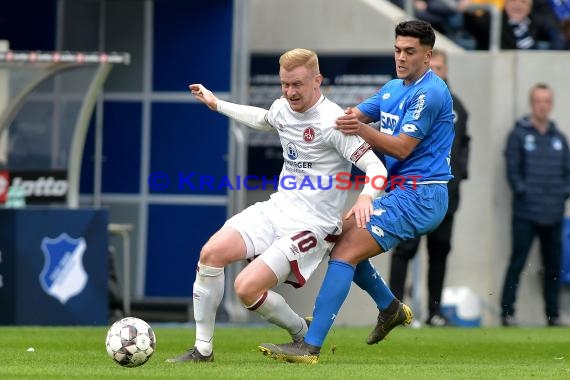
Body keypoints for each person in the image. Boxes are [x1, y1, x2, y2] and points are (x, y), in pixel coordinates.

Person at [166, 48, 389, 363]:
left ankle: (300, 331)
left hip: (313, 225)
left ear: (317, 80)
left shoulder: (334, 122)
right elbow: (263, 119)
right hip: (276, 209)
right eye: (285, 84)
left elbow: (377, 169)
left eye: (297, 84)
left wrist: (366, 197)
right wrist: (217, 104)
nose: (289, 92)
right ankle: (203, 349)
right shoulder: (282, 107)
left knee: (246, 289)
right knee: (210, 255)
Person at [259, 20, 455, 364]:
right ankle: (390, 308)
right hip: (399, 192)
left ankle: (311, 344)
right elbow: (345, 118)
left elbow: (401, 149)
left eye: (410, 52)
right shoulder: (394, 88)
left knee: (345, 252)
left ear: (428, 56)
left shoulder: (431, 92)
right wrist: (306, 109)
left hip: (422, 194)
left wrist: (360, 127)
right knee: (338, 238)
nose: (401, 57)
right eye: (397, 50)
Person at [389, 49, 470, 327]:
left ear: (446, 71)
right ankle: (393, 309)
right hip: (413, 190)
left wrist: (460, 176)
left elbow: (464, 146)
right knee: (404, 249)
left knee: (440, 250)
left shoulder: (457, 106)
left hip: (447, 192)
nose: (436, 71)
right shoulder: (410, 101)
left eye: (440, 67)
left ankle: (435, 311)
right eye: (431, 66)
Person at [500, 83, 570, 327]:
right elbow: (512, 171)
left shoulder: (559, 138)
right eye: (539, 100)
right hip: (526, 212)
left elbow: (567, 173)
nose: (543, 105)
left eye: (547, 101)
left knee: (553, 266)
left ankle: (553, 314)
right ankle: (507, 312)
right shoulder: (518, 135)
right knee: (517, 262)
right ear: (532, 104)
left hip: (553, 212)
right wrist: (524, 192)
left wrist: (562, 194)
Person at [464, 0, 554, 50]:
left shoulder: (535, 23)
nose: (517, 5)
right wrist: (468, 11)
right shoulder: (493, 21)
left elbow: (557, 32)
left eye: (523, 2)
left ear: (529, 7)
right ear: (505, 3)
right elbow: (475, 26)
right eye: (513, 0)